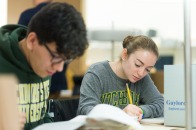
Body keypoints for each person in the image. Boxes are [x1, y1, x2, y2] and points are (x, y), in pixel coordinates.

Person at [0, 2, 88, 130]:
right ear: (32, 41)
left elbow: (41, 115)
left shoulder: (43, 64)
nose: (59, 68)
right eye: (56, 57)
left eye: (66, 60)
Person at [77, 35, 164, 121]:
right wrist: (120, 114)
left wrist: (141, 111)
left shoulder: (142, 78)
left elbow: (161, 104)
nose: (141, 73)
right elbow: (85, 109)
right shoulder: (97, 73)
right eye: (137, 65)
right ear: (125, 55)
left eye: (148, 69)